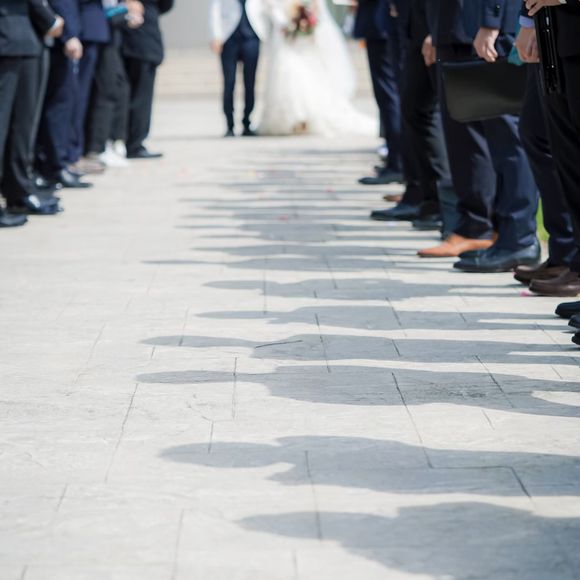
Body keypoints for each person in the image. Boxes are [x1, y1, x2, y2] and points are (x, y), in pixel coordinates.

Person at [418, 0, 541, 274]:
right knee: (492, 138)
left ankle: (519, 237)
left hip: (491, 25)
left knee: (509, 139)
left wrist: (491, 21)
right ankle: (505, 235)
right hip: (469, 24)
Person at [258, 0, 376, 137]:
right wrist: (284, 22)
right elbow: (271, 6)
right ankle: (293, 119)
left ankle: (306, 118)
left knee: (305, 75)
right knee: (287, 73)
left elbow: (317, 9)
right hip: (284, 35)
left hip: (304, 38)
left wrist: (307, 21)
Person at [0, 0, 63, 227]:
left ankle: (18, 193)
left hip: (23, 36)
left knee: (21, 128)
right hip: (8, 35)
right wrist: (49, 19)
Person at [122, 0, 174, 159]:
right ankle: (134, 144)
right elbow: (167, 4)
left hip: (130, 42)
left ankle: (129, 142)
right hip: (143, 44)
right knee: (141, 98)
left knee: (133, 96)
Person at [209, 0, 269, 137]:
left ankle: (247, 121)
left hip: (252, 36)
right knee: (229, 83)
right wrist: (215, 36)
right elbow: (215, 9)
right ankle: (229, 124)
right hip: (228, 37)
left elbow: (268, 6)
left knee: (250, 83)